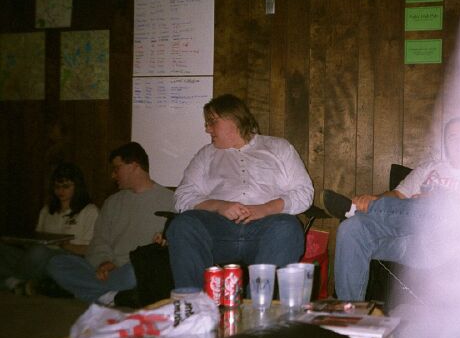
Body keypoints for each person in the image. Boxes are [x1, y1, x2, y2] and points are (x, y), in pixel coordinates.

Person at [324, 117, 460, 301]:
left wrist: (437, 201)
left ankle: (358, 209)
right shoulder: (429, 169)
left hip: (449, 244)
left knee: (439, 206)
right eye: (452, 137)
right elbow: (398, 195)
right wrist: (374, 198)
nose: (458, 141)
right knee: (352, 227)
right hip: (410, 243)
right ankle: (348, 310)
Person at [167, 94, 314, 289]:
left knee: (288, 227)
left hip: (267, 229)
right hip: (218, 230)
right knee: (183, 224)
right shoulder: (206, 155)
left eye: (211, 122)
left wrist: (265, 209)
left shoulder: (278, 147)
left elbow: (304, 192)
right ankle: (194, 303)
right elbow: (182, 196)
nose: (207, 129)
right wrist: (219, 206)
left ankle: (259, 304)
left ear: (233, 120)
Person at [47, 142, 174, 304]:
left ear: (134, 166)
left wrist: (117, 264)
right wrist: (104, 262)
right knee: (56, 263)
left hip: (133, 269)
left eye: (116, 168)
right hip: (106, 271)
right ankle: (110, 296)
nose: (113, 175)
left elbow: (162, 252)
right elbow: (99, 241)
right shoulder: (112, 202)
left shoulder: (170, 200)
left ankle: (93, 291)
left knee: (137, 272)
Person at [0, 162, 99, 294]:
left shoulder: (90, 211)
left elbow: (90, 250)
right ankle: (19, 282)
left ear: (77, 187)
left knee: (39, 252)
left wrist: (64, 245)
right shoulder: (47, 210)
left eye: (66, 186)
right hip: (37, 257)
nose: (60, 191)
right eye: (57, 187)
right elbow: (37, 240)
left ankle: (14, 280)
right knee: (5, 250)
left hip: (67, 259)